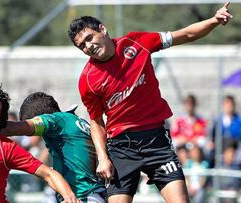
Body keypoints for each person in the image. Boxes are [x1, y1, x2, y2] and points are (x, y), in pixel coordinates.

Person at [68, 2, 232, 203]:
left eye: (89, 38)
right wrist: (102, 157)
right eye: (82, 45)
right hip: (121, 148)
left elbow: (186, 34)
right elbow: (96, 122)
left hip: (156, 141)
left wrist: (214, 20)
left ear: (102, 29)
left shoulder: (136, 42)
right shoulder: (87, 80)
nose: (88, 46)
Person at [0, 92, 106, 203]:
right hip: (95, 194)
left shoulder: (55, 120)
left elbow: (17, 128)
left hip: (82, 197)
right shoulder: (76, 122)